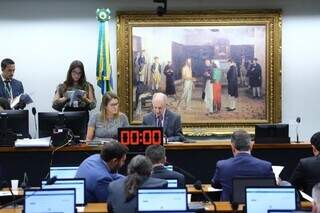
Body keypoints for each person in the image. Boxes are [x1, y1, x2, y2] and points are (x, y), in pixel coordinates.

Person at [211, 130, 275, 201]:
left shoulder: (222, 165)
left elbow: (215, 185)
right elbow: (272, 187)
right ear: (251, 145)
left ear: (232, 146)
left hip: (230, 209)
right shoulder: (265, 166)